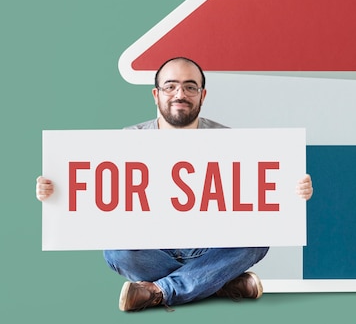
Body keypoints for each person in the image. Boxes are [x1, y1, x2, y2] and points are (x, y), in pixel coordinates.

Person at [36, 56, 313, 312]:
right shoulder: (127, 140)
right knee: (116, 251)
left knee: (258, 238)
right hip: (152, 250)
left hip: (210, 245)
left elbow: (259, 195)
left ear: (202, 96)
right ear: (156, 95)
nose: (180, 94)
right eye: (170, 87)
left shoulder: (229, 141)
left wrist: (293, 190)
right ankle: (216, 281)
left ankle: (160, 290)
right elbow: (97, 195)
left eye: (190, 87)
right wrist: (56, 191)